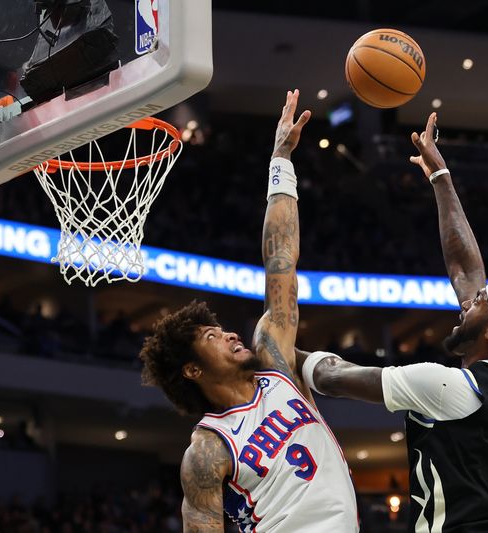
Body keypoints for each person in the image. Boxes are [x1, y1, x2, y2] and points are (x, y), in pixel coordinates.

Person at [297, 112, 488, 532]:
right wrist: (441, 176)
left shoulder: (448, 387)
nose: (468, 302)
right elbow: (467, 272)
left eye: (479, 304)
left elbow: (335, 377)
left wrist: (272, 346)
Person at [139, 90, 358, 533]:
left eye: (220, 329)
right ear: (192, 371)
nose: (229, 335)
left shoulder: (274, 361)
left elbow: (281, 262)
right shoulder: (206, 449)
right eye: (211, 338)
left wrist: (281, 161)